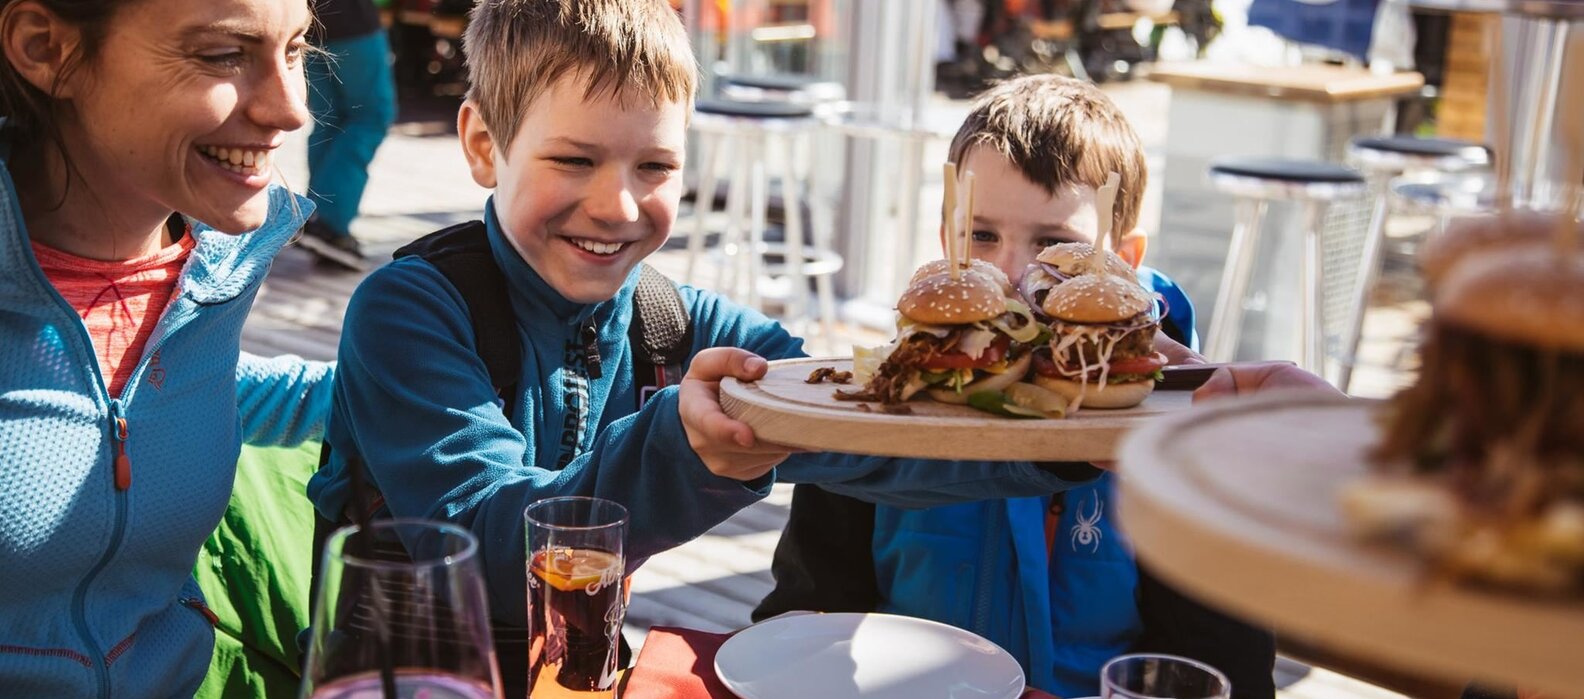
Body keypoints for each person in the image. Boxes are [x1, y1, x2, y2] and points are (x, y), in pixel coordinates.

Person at [306, 3, 1102, 694]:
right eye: (574, 159)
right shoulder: (409, 309)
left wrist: (1083, 437)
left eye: (655, 166)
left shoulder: (681, 327)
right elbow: (491, 553)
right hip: (412, 678)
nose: (617, 205)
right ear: (485, 144)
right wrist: (685, 451)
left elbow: (877, 433)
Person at [755, 75, 1333, 699]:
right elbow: (808, 605)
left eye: (1056, 245)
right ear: (946, 240)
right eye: (980, 236)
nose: (1011, 276)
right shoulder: (883, 401)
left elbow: (1222, 668)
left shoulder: (1188, 430)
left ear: (1124, 260)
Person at [0, 0, 333, 695]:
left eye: (297, 49)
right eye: (222, 55)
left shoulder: (222, 260)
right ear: (43, 46)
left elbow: (157, 391)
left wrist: (401, 378)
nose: (289, 109)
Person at [295, 0, 395, 271]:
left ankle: (319, 219)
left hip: (307, 23)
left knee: (330, 120)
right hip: (352, 21)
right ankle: (330, 226)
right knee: (370, 117)